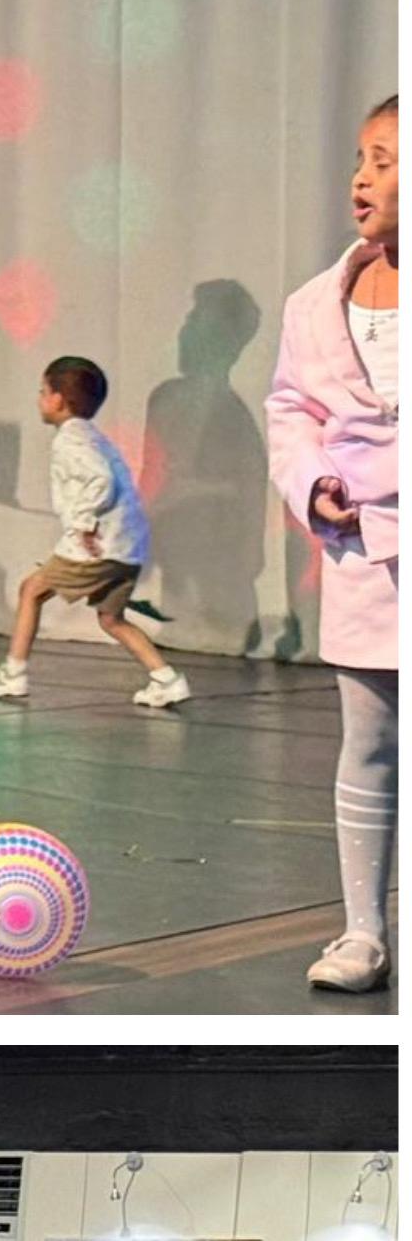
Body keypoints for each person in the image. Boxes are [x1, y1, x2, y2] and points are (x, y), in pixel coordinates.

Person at [261, 94, 399, 991]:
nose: (361, 177)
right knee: (369, 740)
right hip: (363, 554)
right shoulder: (316, 303)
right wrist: (314, 484)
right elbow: (292, 409)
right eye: (360, 158)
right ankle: (363, 933)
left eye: (385, 161)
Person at [0, 356, 186, 706]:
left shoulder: (71, 440)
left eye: (43, 392)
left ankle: (13, 673)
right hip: (126, 545)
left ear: (57, 399)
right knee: (111, 619)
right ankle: (166, 679)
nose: (40, 399)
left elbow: (100, 479)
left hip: (99, 545)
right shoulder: (91, 437)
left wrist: (84, 523)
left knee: (31, 590)